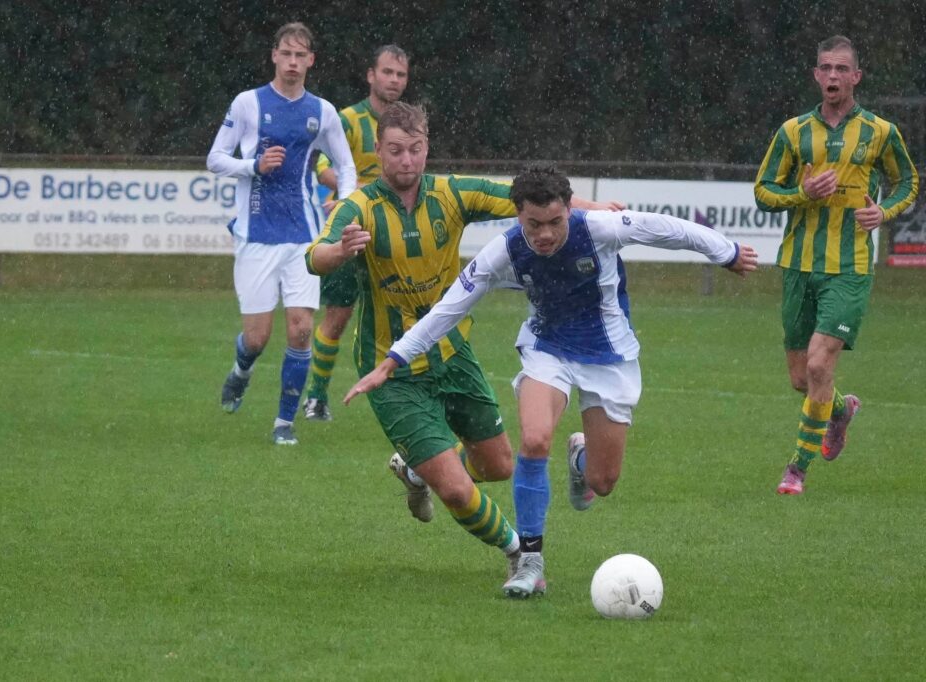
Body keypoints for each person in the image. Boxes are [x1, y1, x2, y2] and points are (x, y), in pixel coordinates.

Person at [344, 165, 758, 597]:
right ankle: (530, 562)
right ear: (518, 216)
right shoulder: (504, 250)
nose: (544, 234)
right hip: (547, 348)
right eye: (533, 224)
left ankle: (580, 458)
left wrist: (726, 252)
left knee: (602, 482)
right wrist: (392, 361)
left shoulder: (599, 228)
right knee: (535, 439)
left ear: (569, 210)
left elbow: (668, 229)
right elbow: (450, 308)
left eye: (555, 222)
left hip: (609, 356)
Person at [307, 105, 621, 590]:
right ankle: (520, 555)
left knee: (499, 466)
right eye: (395, 150)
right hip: (392, 370)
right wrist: (340, 250)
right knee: (455, 490)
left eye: (415, 149)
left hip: (453, 357)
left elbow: (524, 197)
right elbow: (315, 257)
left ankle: (417, 473)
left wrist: (594, 208)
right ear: (379, 151)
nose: (406, 160)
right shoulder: (360, 207)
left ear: (426, 148)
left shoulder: (451, 193)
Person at [754, 35, 918, 495]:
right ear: (815, 75)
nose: (832, 75)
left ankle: (796, 469)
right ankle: (841, 409)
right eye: (825, 67)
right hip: (798, 264)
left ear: (856, 77)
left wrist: (884, 212)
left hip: (850, 267)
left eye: (841, 68)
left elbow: (908, 181)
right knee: (801, 377)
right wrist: (801, 194)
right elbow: (763, 191)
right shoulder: (793, 132)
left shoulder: (880, 131)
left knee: (819, 364)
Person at [207, 22, 357, 445]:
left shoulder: (322, 111)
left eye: (300, 55)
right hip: (256, 234)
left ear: (311, 60)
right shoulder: (248, 103)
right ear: (274, 55)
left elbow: (346, 166)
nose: (292, 62)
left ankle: (284, 423)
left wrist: (345, 204)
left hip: (303, 237)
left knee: (301, 329)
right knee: (257, 338)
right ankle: (242, 369)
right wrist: (253, 166)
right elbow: (215, 158)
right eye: (286, 54)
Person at [303, 45, 411, 422]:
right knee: (338, 315)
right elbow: (321, 167)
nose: (393, 80)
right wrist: (360, 192)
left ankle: (408, 396)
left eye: (400, 74)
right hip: (350, 228)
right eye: (387, 72)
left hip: (394, 231)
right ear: (371, 75)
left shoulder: (407, 124)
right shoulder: (347, 119)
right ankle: (316, 396)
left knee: (403, 312)